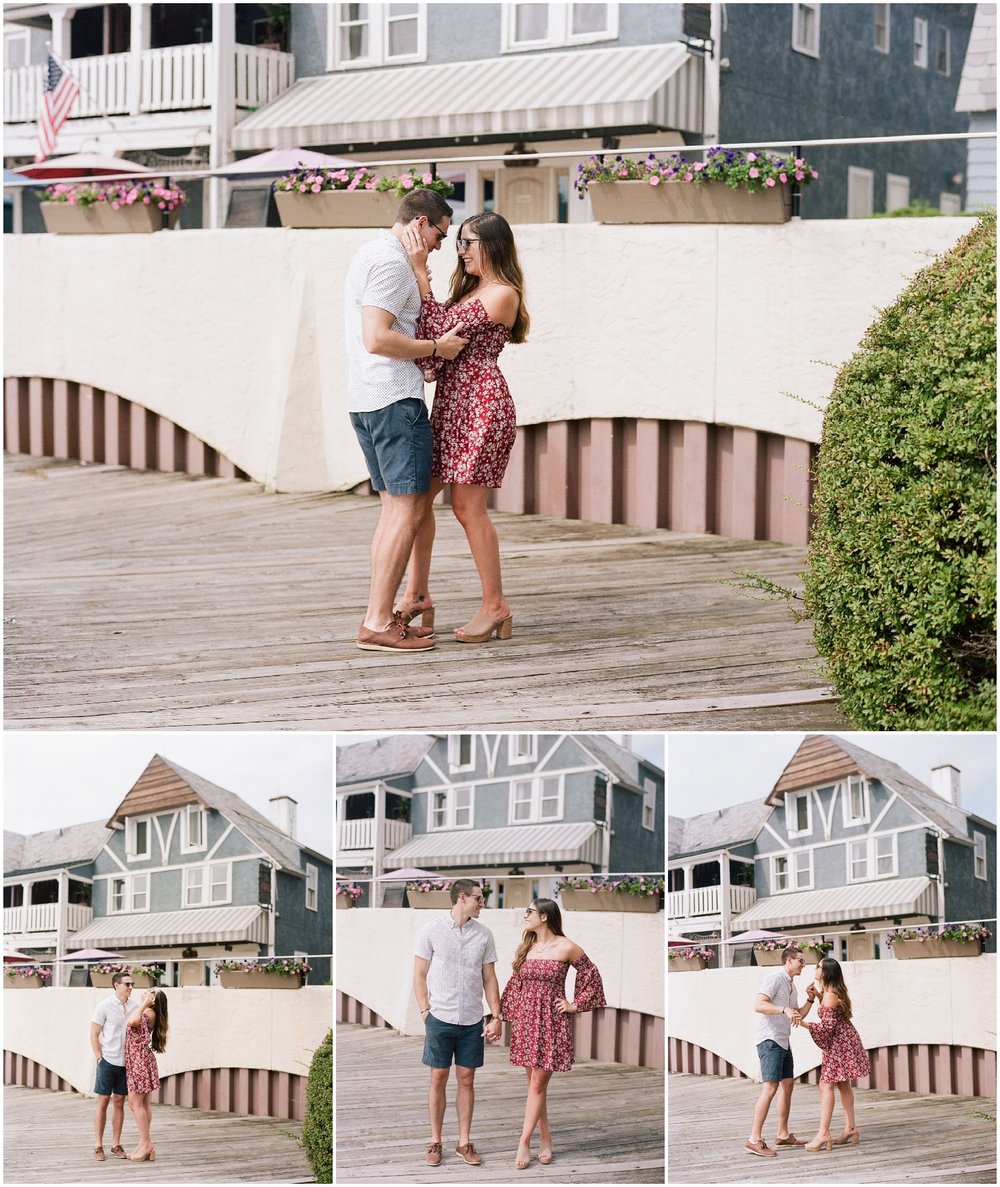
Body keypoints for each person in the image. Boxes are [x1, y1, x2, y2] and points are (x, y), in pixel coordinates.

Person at [395, 211, 529, 643]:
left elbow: (436, 330)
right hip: (452, 403)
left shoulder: (502, 294)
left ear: (493, 244)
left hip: (482, 405)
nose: (460, 250)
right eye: (458, 241)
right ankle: (418, 595)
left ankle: (495, 606)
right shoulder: (470, 292)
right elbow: (434, 347)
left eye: (468, 242)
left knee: (467, 508)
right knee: (416, 501)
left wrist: (420, 274)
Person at [345, 188, 469, 653]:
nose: (441, 245)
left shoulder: (371, 252)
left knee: (393, 512)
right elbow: (378, 339)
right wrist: (437, 348)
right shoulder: (393, 264)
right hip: (395, 400)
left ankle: (379, 617)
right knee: (407, 511)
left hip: (366, 399)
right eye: (440, 234)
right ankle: (378, 622)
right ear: (420, 223)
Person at [499, 898, 606, 1170]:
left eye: (530, 912)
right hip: (526, 1022)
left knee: (537, 1085)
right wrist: (502, 1016)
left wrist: (574, 1005)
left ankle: (524, 1142)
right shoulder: (528, 947)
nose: (525, 916)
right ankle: (545, 1139)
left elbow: (591, 975)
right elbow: (516, 982)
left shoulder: (566, 946)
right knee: (536, 1087)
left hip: (551, 1022)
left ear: (545, 916)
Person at [413, 879, 502, 1168]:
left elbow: (490, 978)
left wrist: (496, 1015)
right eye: (479, 897)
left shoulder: (484, 935)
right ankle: (435, 1141)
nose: (483, 902)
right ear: (462, 897)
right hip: (440, 1018)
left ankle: (464, 1143)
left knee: (467, 1080)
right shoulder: (431, 930)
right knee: (437, 1079)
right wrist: (425, 1011)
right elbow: (419, 975)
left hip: (471, 1021)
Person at [745, 945, 815, 1157]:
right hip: (770, 1040)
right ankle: (753, 1139)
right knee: (770, 1088)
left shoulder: (791, 985)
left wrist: (810, 999)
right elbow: (759, 1005)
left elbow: (797, 1015)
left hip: (783, 1041)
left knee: (787, 1086)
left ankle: (782, 1135)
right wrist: (782, 1009)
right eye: (801, 961)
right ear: (789, 960)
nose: (804, 965)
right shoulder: (775, 977)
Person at [798, 957, 870, 1151]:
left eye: (818, 967)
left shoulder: (830, 994)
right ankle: (850, 1128)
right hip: (845, 1039)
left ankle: (823, 1134)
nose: (815, 969)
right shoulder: (832, 992)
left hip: (838, 1044)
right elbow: (832, 1012)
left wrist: (801, 1022)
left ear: (826, 972)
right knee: (843, 1083)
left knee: (825, 1085)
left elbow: (827, 1028)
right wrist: (816, 997)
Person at [89, 970, 142, 1161]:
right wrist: (99, 1058)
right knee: (103, 1102)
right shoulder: (103, 1006)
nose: (131, 987)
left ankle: (116, 1144)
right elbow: (94, 1034)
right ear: (116, 985)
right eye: (127, 984)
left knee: (119, 1103)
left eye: (132, 984)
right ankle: (98, 1146)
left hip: (127, 1063)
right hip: (108, 1061)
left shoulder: (136, 1006)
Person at [123, 988, 168, 1162]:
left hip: (139, 1061)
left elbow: (132, 1022)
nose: (146, 991)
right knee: (143, 1104)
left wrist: (143, 1003)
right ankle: (144, 1144)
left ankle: (147, 1144)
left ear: (153, 1001)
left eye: (151, 992)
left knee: (135, 1103)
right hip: (142, 1059)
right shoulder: (149, 1012)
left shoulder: (147, 1012)